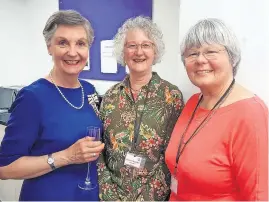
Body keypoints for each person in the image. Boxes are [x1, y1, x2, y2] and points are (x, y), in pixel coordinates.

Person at [0, 10, 104, 201]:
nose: (72, 52)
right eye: (62, 42)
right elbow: (5, 168)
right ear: (49, 47)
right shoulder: (32, 97)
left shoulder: (89, 91)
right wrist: (67, 156)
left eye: (80, 43)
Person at [165, 18, 268, 201]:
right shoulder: (194, 102)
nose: (200, 60)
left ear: (232, 58)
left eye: (211, 51)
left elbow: (258, 196)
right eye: (192, 54)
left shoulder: (250, 115)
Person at [97, 16, 184, 201]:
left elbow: (172, 156)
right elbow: (101, 151)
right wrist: (109, 193)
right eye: (131, 45)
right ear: (123, 51)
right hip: (110, 196)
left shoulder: (171, 96)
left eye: (146, 45)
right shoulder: (110, 97)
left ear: (155, 50)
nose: (139, 52)